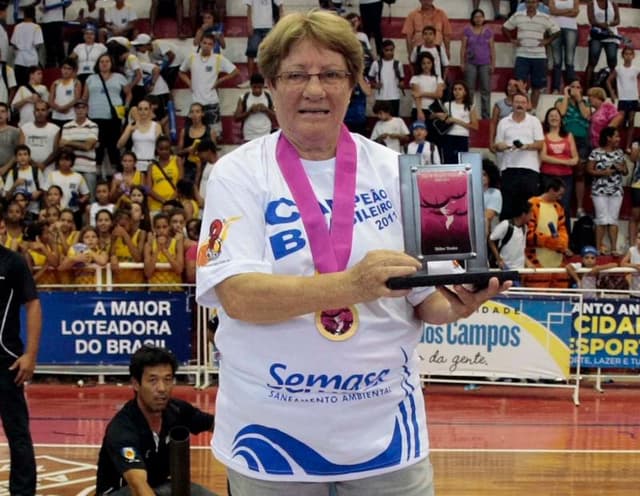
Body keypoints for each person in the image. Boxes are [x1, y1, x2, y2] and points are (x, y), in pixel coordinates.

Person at [195, 10, 509, 495]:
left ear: (354, 84)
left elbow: (426, 300)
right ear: (272, 85)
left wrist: (460, 301)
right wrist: (351, 285)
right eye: (296, 74)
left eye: (331, 74)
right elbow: (238, 296)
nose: (314, 90)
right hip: (270, 440)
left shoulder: (394, 170)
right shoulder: (238, 174)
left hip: (385, 438)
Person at [95, 345, 215, 495]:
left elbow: (216, 425)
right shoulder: (122, 428)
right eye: (153, 380)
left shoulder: (177, 410)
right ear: (136, 384)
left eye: (168, 379)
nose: (162, 388)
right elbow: (138, 485)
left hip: (159, 487)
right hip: (124, 491)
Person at [0, 239, 41, 496]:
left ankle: (23, 492)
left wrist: (31, 354)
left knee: (17, 433)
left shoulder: (12, 262)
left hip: (5, 360)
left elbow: (33, 303)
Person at [493, 92, 544, 221]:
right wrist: (503, 146)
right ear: (512, 104)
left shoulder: (534, 121)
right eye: (517, 102)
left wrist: (525, 146)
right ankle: (507, 238)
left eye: (523, 102)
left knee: (529, 208)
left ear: (527, 105)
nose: (520, 105)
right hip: (509, 169)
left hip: (530, 170)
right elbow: (497, 144)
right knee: (508, 207)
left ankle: (529, 239)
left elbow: (540, 144)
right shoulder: (503, 122)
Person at [502, 0, 560, 113]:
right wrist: (511, 39)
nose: (531, 4)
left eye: (533, 2)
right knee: (519, 84)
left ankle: (532, 111)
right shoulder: (518, 15)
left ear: (537, 4)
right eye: (528, 2)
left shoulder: (544, 17)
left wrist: (547, 40)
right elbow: (505, 28)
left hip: (539, 56)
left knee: (537, 86)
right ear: (525, 4)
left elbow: (557, 31)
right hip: (522, 55)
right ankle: (520, 109)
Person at [178, 33, 239, 136]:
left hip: (212, 102)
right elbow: (181, 72)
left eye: (210, 44)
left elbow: (235, 71)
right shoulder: (192, 58)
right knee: (193, 133)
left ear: (213, 45)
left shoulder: (218, 58)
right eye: (204, 43)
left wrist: (220, 80)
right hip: (196, 102)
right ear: (200, 43)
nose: (206, 46)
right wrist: (189, 83)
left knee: (215, 134)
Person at [586, 126, 628, 255]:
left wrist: (620, 167)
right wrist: (604, 172)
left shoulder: (620, 153)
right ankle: (598, 249)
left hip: (616, 190)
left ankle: (614, 249)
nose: (618, 138)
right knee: (601, 219)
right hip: (599, 190)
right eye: (616, 136)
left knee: (613, 219)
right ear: (608, 138)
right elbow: (589, 170)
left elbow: (626, 171)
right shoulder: (596, 152)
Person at [555, 79, 591, 218]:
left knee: (580, 173)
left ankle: (580, 207)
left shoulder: (585, 103)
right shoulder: (560, 100)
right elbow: (562, 113)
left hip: (581, 141)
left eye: (578, 87)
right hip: (565, 139)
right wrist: (566, 95)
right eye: (573, 87)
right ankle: (561, 203)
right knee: (563, 172)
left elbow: (586, 115)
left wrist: (579, 99)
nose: (576, 89)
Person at [540, 106, 579, 230]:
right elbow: (543, 157)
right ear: (547, 120)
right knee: (548, 206)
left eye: (556, 115)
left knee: (564, 207)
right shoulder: (543, 136)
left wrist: (558, 161)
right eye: (550, 115)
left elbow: (575, 159)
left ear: (561, 119)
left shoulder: (568, 136)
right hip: (548, 176)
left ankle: (565, 240)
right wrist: (565, 161)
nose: (554, 117)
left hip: (566, 177)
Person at [525, 176, 570, 268]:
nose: (560, 198)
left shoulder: (558, 208)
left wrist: (562, 243)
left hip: (556, 258)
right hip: (536, 257)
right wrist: (550, 242)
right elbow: (528, 233)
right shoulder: (532, 204)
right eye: (559, 194)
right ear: (551, 190)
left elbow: (562, 229)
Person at [59, 99, 100, 197]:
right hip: (71, 168)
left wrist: (69, 142)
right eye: (78, 108)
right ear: (74, 109)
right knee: (69, 197)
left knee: (90, 199)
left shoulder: (93, 125)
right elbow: (63, 147)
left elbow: (87, 146)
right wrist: (84, 144)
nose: (80, 110)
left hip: (88, 168)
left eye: (83, 107)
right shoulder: (67, 126)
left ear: (87, 109)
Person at [433, 80, 479, 164]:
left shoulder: (470, 107)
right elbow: (433, 116)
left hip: (462, 137)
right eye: (455, 89)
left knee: (461, 162)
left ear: (465, 92)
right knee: (448, 161)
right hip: (448, 136)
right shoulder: (447, 104)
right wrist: (439, 116)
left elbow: (475, 126)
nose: (457, 92)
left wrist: (456, 120)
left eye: (460, 89)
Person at [460, 9, 494, 120]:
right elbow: (463, 48)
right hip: (470, 63)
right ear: (472, 18)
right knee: (469, 90)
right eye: (476, 17)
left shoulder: (488, 31)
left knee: (486, 90)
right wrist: (462, 62)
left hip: (485, 64)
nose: (478, 19)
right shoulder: (467, 31)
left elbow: (492, 49)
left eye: (480, 16)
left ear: (484, 18)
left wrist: (493, 64)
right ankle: (469, 114)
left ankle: (486, 116)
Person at [606, 45, 640, 151]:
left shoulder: (636, 70)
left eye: (630, 54)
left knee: (631, 122)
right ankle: (616, 145)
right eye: (626, 54)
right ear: (622, 55)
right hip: (623, 99)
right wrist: (612, 93)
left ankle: (627, 146)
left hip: (633, 98)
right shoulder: (618, 69)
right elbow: (608, 81)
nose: (628, 56)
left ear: (633, 56)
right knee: (619, 122)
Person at [243, 0, 284, 83]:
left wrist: (280, 23)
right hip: (255, 26)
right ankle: (250, 80)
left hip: (270, 26)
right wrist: (249, 24)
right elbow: (249, 8)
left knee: (269, 54)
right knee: (251, 53)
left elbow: (280, 6)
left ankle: (267, 79)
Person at [585, 0, 622, 89]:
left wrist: (608, 24)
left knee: (612, 61)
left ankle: (612, 88)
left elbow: (617, 20)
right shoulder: (592, 3)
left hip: (611, 35)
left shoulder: (613, 4)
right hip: (597, 35)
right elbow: (591, 20)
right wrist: (601, 25)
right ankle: (587, 87)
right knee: (592, 60)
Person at [488, 199, 532, 270]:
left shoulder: (525, 228)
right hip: (505, 267)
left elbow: (521, 249)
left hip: (519, 268)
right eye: (530, 213)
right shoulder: (505, 225)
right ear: (524, 214)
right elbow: (491, 240)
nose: (531, 216)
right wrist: (498, 259)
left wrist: (528, 263)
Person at [233, 72, 276, 143]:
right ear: (250, 86)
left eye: (259, 87)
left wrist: (266, 110)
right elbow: (236, 118)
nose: (257, 90)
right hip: (249, 134)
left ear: (263, 86)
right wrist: (249, 111)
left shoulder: (268, 97)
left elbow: (276, 118)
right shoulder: (243, 97)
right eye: (254, 87)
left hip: (266, 133)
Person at [368, 39, 405, 118]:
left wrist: (401, 84)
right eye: (387, 50)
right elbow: (369, 79)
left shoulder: (398, 64)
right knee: (381, 120)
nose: (389, 52)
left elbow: (402, 80)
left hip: (394, 97)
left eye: (391, 50)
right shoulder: (376, 64)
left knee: (394, 120)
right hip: (381, 97)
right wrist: (375, 85)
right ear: (382, 50)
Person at [548, 0, 579, 94]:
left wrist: (559, 12)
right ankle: (556, 88)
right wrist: (568, 11)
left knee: (569, 60)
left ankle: (571, 89)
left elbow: (575, 12)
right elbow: (552, 11)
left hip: (571, 28)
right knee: (556, 61)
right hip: (555, 28)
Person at [587, 86, 623, 150]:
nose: (589, 99)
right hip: (594, 145)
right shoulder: (595, 112)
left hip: (605, 145)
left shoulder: (607, 106)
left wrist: (607, 134)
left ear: (597, 97)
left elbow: (618, 117)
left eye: (591, 96)